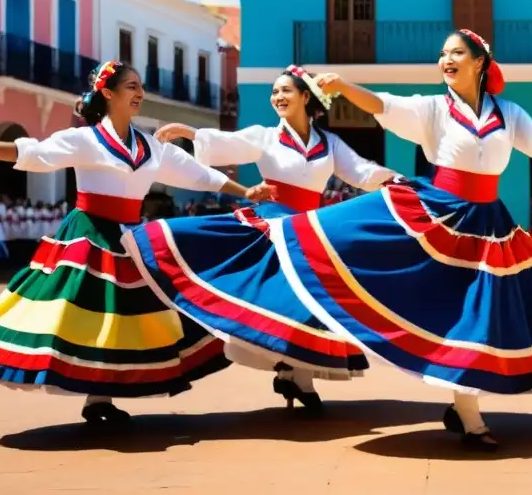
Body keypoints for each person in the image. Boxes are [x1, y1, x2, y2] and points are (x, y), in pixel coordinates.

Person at [265, 29, 532, 450]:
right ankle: (460, 411)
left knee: (483, 312)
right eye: (443, 54)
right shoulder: (434, 109)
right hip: (438, 216)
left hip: (488, 224)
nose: (446, 59)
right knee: (337, 250)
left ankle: (465, 410)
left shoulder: (508, 113)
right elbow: (386, 106)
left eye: (456, 53)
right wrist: (342, 86)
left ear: (480, 62)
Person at [0, 60, 273, 424]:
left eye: (140, 86)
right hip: (89, 236)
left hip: (130, 237)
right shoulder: (85, 139)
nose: (140, 93)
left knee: (126, 317)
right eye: (132, 87)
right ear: (107, 93)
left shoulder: (151, 147)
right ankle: (97, 395)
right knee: (86, 314)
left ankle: (99, 398)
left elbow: (200, 175)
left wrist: (246, 191)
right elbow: (33, 154)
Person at [123, 65, 396, 415]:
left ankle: (296, 375)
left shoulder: (329, 144)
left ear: (306, 98)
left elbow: (361, 171)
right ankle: (294, 374)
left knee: (315, 305)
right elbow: (229, 143)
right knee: (289, 302)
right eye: (274, 92)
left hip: (311, 229)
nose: (278, 97)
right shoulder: (265, 136)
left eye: (286, 91)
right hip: (275, 228)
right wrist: (191, 132)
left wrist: (392, 181)